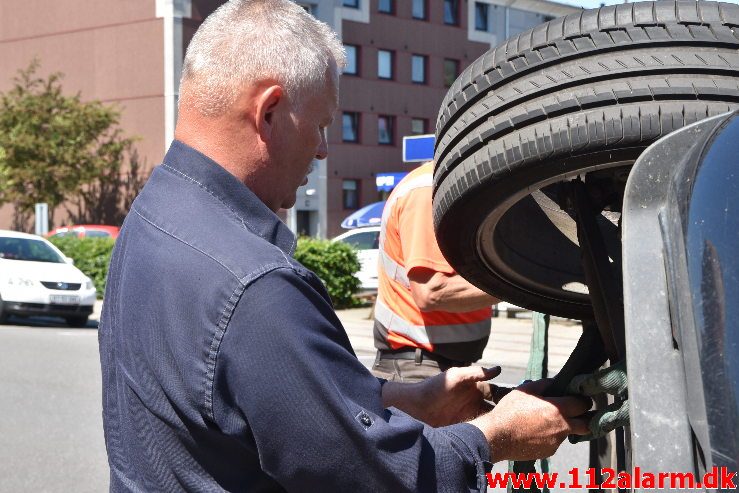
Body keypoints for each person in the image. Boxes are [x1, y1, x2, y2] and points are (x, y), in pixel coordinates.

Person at [98, 1, 591, 491]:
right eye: (320, 125)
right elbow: (370, 477)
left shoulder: (153, 214)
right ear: (269, 112)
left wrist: (400, 402)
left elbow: (251, 407)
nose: (323, 149)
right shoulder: (256, 287)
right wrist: (497, 437)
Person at [372, 161, 499, 382]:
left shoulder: (458, 188)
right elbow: (432, 291)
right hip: (417, 368)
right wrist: (523, 287)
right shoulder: (428, 191)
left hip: (432, 366)